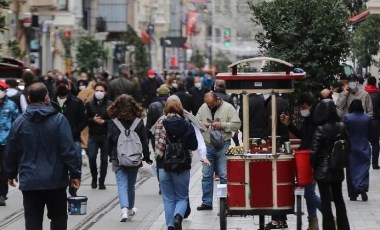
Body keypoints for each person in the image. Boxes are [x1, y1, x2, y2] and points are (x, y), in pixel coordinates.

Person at [4, 82, 81, 229]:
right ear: (47, 97)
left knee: (33, 219)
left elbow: (12, 149)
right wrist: (75, 173)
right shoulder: (59, 120)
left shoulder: (19, 122)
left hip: (30, 180)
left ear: (28, 98)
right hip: (56, 180)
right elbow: (68, 150)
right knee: (58, 217)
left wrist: (10, 172)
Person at [153, 97, 198, 230]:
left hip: (163, 165)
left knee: (168, 198)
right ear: (180, 107)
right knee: (182, 197)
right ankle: (178, 216)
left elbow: (156, 144)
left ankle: (170, 225)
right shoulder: (186, 123)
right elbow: (193, 146)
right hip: (182, 165)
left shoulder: (160, 122)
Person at [106, 94, 152, 222]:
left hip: (118, 157)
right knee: (131, 185)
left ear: (116, 106)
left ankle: (124, 210)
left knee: (122, 184)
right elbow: (144, 140)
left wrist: (110, 156)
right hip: (134, 158)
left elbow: (109, 140)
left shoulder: (113, 121)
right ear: (133, 106)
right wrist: (147, 157)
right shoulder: (138, 121)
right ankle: (130, 209)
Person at [280, 93, 321, 230]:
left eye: (304, 107)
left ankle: (328, 213)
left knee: (309, 193)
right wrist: (289, 125)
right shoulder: (309, 119)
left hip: (312, 159)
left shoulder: (316, 119)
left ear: (310, 105)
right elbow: (303, 136)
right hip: (308, 158)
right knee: (310, 192)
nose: (303, 110)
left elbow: (310, 140)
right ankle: (313, 222)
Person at [196, 92, 241, 211]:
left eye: (211, 104)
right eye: (208, 105)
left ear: (217, 100)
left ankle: (226, 201)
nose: (210, 107)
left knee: (224, 174)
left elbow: (237, 124)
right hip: (208, 145)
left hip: (223, 144)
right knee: (206, 174)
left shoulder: (228, 107)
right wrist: (202, 124)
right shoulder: (203, 107)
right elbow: (196, 122)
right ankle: (206, 202)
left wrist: (221, 125)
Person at [311, 99, 350, 230]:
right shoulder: (341, 126)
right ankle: (344, 226)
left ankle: (329, 227)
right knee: (339, 199)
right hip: (337, 168)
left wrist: (314, 166)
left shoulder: (320, 129)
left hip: (323, 170)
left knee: (326, 201)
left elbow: (314, 152)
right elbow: (348, 145)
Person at [51, 79, 86, 195]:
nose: (62, 86)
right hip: (55, 140)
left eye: (64, 84)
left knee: (76, 162)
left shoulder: (77, 102)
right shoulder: (50, 103)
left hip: (73, 139)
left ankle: (73, 187)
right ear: (56, 87)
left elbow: (83, 120)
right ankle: (58, 187)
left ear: (69, 86)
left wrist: (74, 131)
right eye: (59, 85)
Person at [85, 82, 112, 189]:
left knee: (104, 160)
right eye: (97, 90)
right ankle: (94, 178)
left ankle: (102, 181)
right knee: (91, 157)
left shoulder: (110, 104)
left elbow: (113, 121)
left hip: (105, 135)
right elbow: (84, 120)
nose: (99, 93)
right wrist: (93, 120)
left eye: (101, 91)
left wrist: (104, 122)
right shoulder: (89, 104)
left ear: (105, 92)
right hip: (93, 135)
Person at [344, 99, 371, 201]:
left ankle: (353, 193)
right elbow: (370, 132)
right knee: (364, 168)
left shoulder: (347, 118)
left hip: (351, 146)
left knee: (351, 170)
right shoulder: (367, 118)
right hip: (364, 145)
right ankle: (362, 186)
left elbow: (344, 131)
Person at [0, 81, 19, 206]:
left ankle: (2, 194)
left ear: (5, 91)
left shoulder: (11, 105)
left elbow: (17, 122)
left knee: (4, 169)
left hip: (6, 142)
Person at [364, 76, 380, 169]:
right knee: (375, 143)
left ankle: (365, 162)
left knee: (363, 142)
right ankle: (374, 163)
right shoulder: (378, 93)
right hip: (375, 120)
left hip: (363, 120)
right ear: (375, 83)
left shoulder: (363, 93)